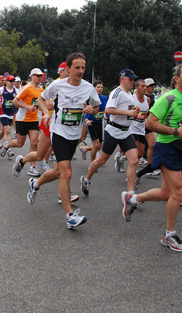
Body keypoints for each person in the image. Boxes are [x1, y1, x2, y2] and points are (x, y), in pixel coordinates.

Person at [122, 63, 182, 252]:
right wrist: (175, 131)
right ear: (177, 79)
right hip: (167, 146)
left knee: (166, 193)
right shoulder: (167, 98)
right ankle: (169, 235)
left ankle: (132, 199)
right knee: (178, 191)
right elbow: (150, 123)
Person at [25, 53, 100, 229]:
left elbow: (96, 107)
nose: (80, 71)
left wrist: (92, 109)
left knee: (58, 172)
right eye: (77, 68)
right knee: (66, 173)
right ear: (68, 69)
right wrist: (44, 113)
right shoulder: (58, 85)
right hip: (58, 132)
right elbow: (41, 99)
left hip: (74, 136)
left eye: (83, 67)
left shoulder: (88, 88)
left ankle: (35, 184)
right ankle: (69, 216)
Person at [79, 69, 140, 198]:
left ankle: (130, 194)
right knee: (102, 160)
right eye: (131, 79)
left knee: (134, 160)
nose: (133, 82)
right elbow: (108, 110)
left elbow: (127, 110)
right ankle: (86, 179)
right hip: (114, 131)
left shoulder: (130, 94)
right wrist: (128, 113)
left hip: (127, 132)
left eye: (134, 80)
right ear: (122, 79)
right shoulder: (117, 92)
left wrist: (135, 112)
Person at [7, 68, 44, 177]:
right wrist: (27, 107)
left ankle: (31, 167)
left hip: (33, 120)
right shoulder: (26, 88)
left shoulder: (41, 90)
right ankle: (7, 145)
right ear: (32, 76)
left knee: (34, 142)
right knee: (20, 143)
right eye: (37, 75)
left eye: (40, 75)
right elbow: (15, 101)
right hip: (22, 119)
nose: (39, 77)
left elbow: (41, 105)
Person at [79, 81, 108, 164]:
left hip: (99, 122)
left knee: (99, 146)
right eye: (98, 87)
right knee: (91, 142)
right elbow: (88, 110)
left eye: (101, 87)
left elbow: (107, 109)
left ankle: (85, 149)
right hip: (90, 122)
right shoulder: (90, 98)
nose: (100, 89)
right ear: (94, 88)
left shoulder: (104, 98)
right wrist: (86, 120)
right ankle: (93, 163)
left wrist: (108, 116)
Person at [0, 75, 18, 157]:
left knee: (4, 130)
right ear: (7, 82)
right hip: (3, 112)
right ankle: (7, 149)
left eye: (13, 81)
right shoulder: (2, 89)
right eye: (10, 81)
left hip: (11, 112)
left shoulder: (16, 90)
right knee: (7, 130)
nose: (12, 83)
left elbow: (20, 99)